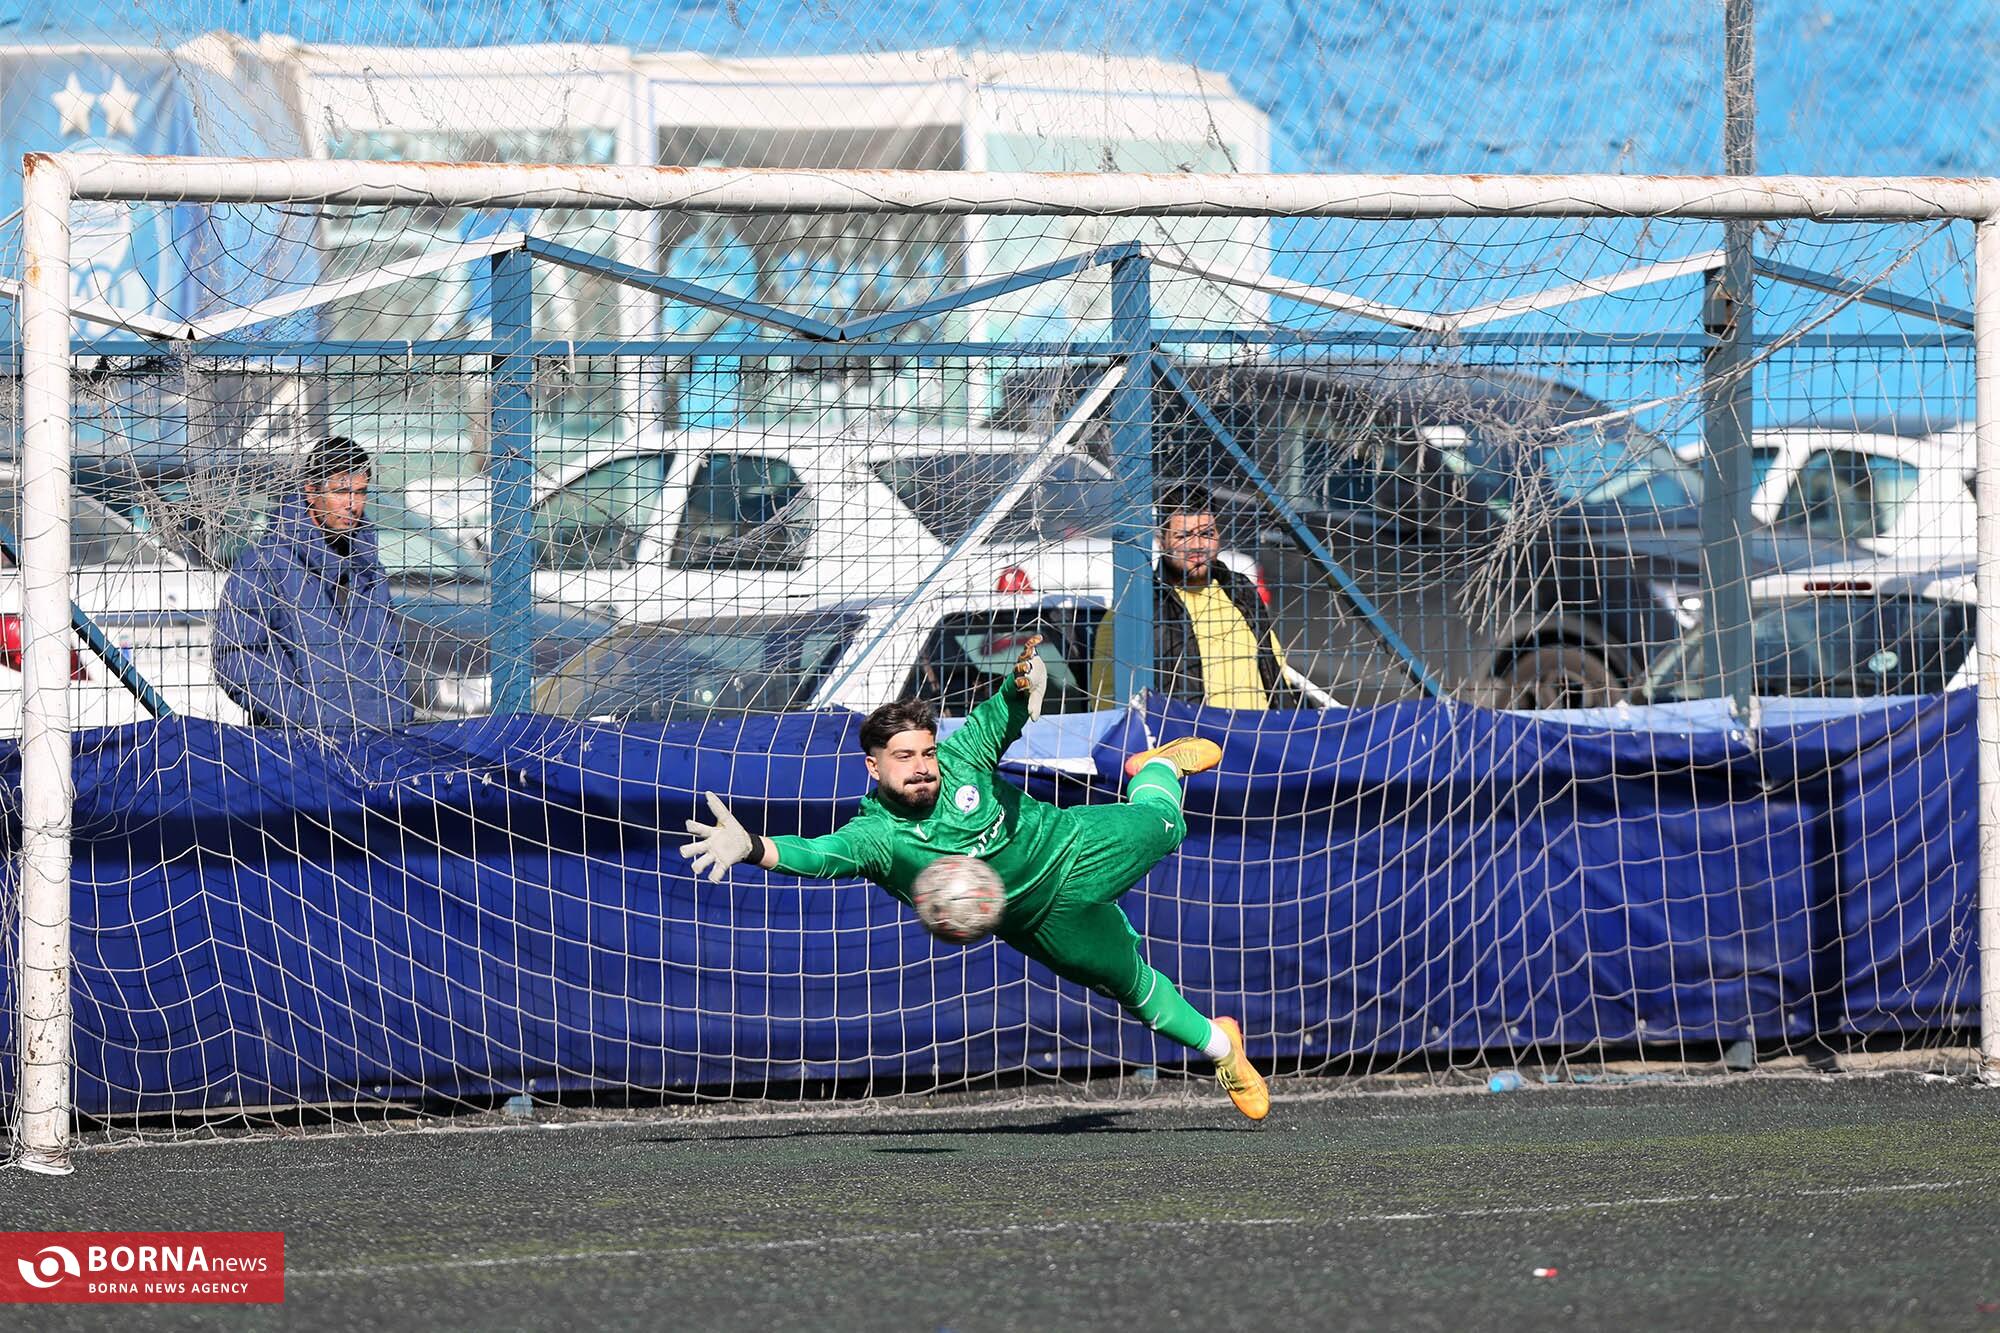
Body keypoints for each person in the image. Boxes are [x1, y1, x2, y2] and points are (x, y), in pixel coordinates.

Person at [681, 637, 1270, 1120]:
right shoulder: (877, 837)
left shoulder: (961, 761)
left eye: (926, 753)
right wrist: (752, 847)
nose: (922, 767)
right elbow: (819, 854)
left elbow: (1000, 716)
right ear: (873, 766)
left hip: (1073, 845)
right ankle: (1224, 1049)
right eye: (904, 757)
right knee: (1134, 990)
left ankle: (1155, 766)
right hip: (1043, 920)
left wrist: (1022, 685)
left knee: (1168, 824)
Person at [214, 435, 413, 729]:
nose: (352, 505)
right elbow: (234, 656)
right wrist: (306, 714)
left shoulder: (369, 568)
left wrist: (397, 711)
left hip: (378, 740)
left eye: (360, 492)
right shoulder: (264, 565)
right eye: (340, 491)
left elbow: (392, 650)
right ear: (311, 491)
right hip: (298, 743)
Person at [1088, 482, 1303, 711]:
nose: (1198, 545)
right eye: (1184, 536)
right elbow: (1105, 699)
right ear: (1162, 540)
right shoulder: (1136, 608)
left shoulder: (1241, 590)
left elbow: (1275, 668)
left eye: (1206, 534)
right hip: (1184, 734)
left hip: (1256, 731)